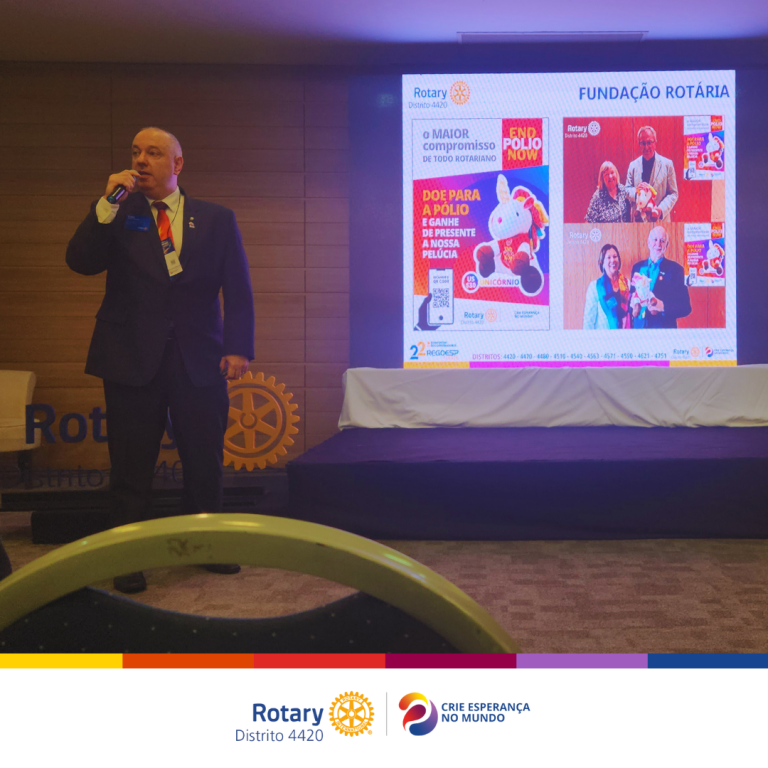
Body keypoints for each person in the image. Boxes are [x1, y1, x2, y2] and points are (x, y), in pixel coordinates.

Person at [66, 127, 255, 594]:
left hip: (199, 357)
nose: (141, 160)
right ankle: (129, 557)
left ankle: (208, 546)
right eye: (136, 152)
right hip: (130, 356)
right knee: (130, 465)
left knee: (204, 459)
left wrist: (237, 347)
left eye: (153, 152)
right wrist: (105, 204)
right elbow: (80, 261)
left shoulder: (216, 218)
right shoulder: (118, 212)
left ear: (177, 164)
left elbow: (238, 287)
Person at [630, 226, 691, 329]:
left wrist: (662, 306)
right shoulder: (637, 267)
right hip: (639, 330)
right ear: (648, 243)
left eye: (662, 241)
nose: (658, 244)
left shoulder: (676, 270)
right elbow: (631, 294)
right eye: (655, 239)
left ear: (666, 245)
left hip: (664, 332)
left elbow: (686, 307)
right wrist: (632, 302)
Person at [625, 126, 679, 221]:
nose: (646, 147)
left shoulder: (668, 165)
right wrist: (638, 194)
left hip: (660, 220)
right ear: (639, 144)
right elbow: (627, 189)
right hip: (639, 222)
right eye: (643, 143)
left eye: (649, 142)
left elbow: (673, 193)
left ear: (655, 143)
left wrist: (660, 210)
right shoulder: (632, 166)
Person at [583, 243, 631, 329]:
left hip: (625, 335)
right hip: (603, 336)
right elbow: (588, 321)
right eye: (608, 257)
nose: (612, 260)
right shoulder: (595, 287)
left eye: (615, 257)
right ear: (602, 262)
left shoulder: (627, 284)